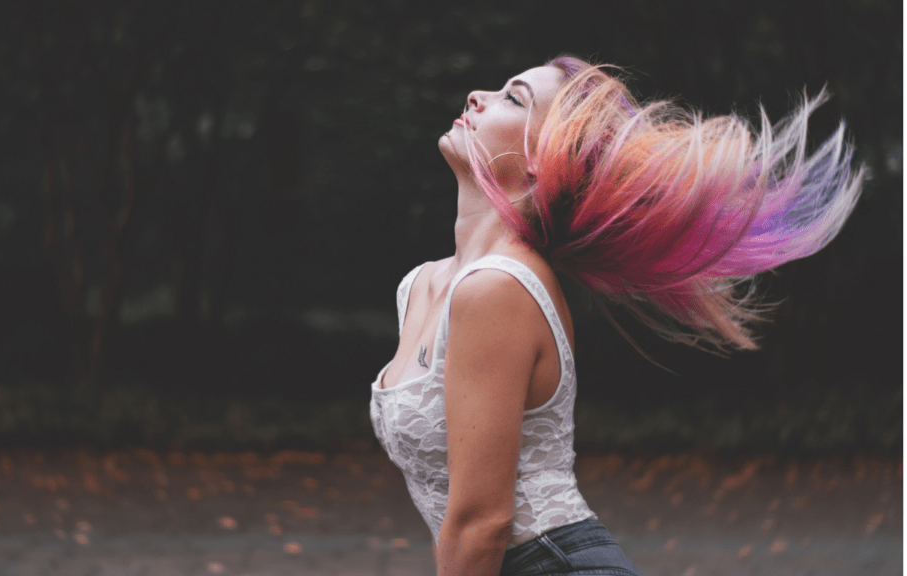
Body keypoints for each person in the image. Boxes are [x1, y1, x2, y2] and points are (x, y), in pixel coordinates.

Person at [368, 55, 863, 576]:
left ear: (544, 157)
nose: (476, 96)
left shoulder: (496, 289)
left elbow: (481, 524)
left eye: (513, 98)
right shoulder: (422, 286)